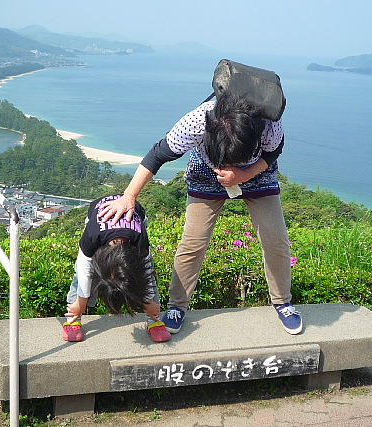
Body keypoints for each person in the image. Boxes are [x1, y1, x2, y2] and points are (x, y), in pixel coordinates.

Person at [99, 91, 303, 335]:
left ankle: (283, 302)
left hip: (257, 174)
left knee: (276, 240)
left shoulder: (270, 121)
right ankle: (177, 306)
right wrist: (129, 196)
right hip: (206, 175)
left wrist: (244, 174)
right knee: (193, 243)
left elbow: (272, 152)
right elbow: (157, 155)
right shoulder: (195, 122)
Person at [63, 194, 171, 343]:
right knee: (80, 277)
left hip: (134, 214)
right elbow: (83, 274)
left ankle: (154, 320)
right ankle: (73, 319)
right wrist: (80, 304)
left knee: (146, 277)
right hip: (99, 217)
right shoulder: (92, 237)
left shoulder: (140, 242)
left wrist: (150, 304)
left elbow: (146, 273)